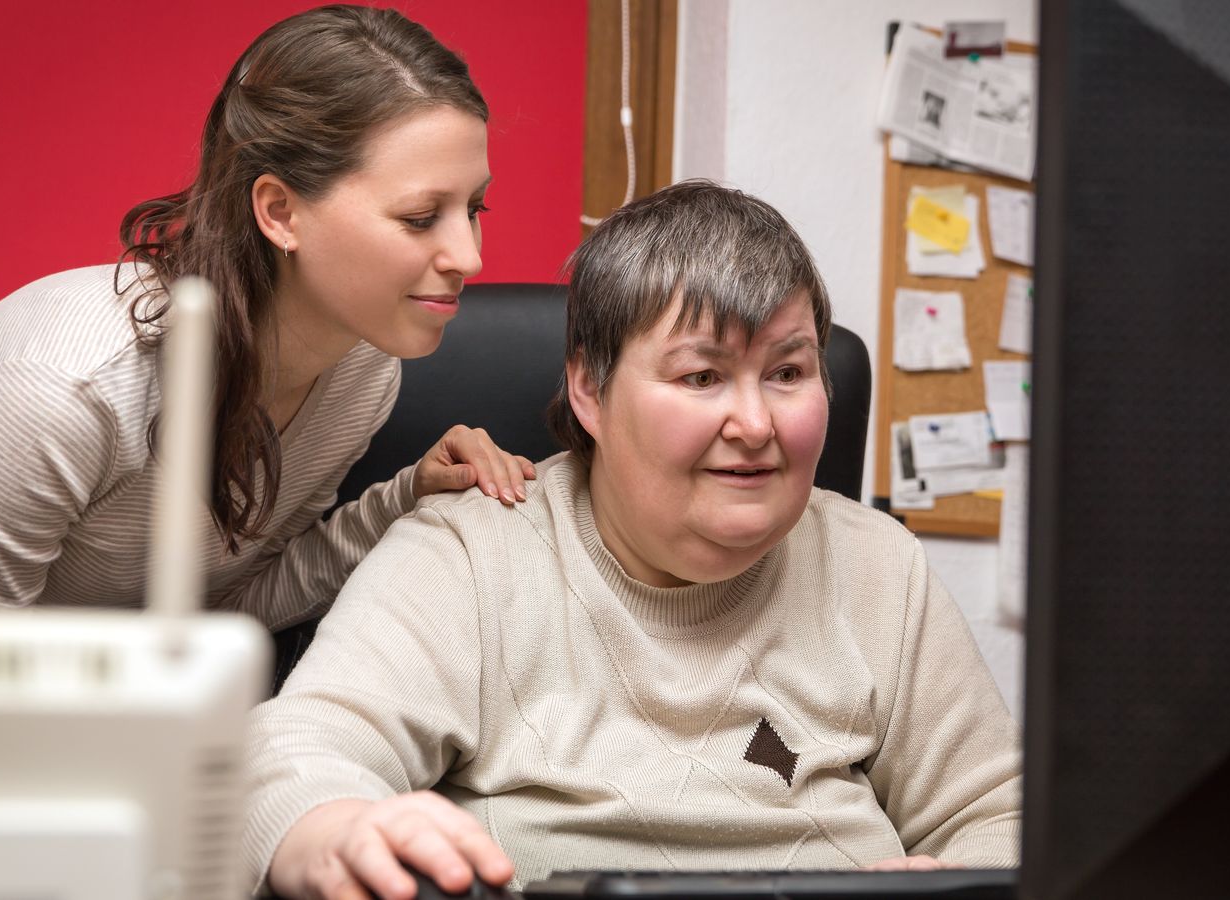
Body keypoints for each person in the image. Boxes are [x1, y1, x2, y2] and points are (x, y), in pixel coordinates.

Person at [244, 181, 1021, 899]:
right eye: (701, 378)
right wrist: (338, 828)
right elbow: (297, 756)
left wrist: (948, 882)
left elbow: (1003, 819)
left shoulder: (878, 563)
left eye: (787, 373)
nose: (755, 425)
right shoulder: (469, 554)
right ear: (590, 389)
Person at [0, 5, 534, 629]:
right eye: (420, 217)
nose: (468, 256)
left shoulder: (363, 366)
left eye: (474, 210)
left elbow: (211, 616)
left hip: (91, 695)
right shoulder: (62, 390)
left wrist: (406, 498)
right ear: (280, 211)